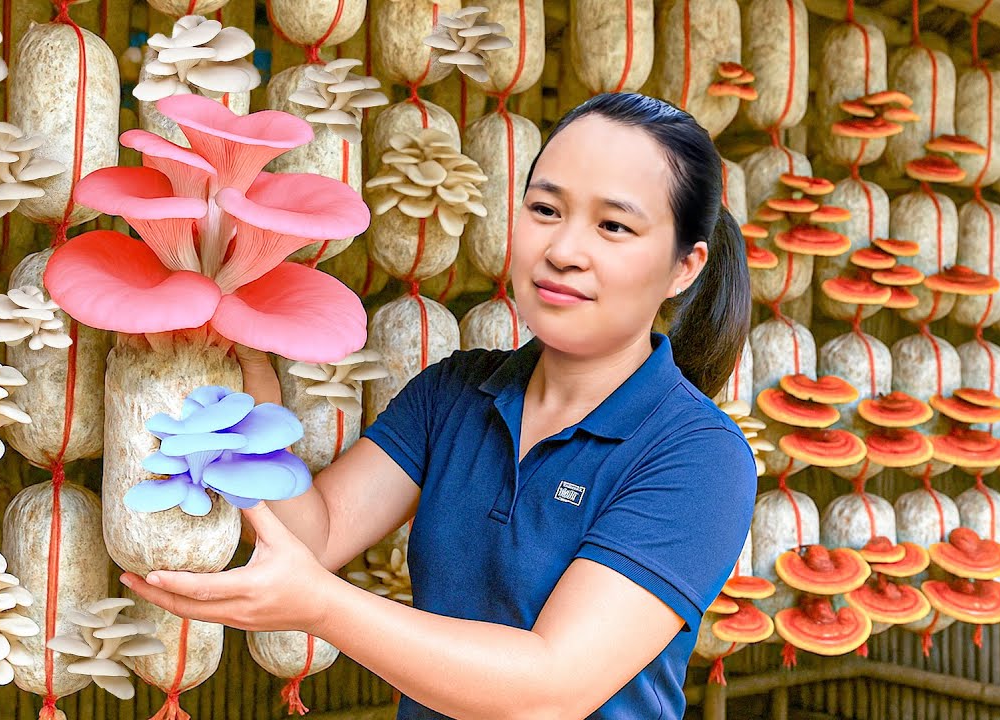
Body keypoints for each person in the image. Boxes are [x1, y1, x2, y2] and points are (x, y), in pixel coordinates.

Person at [122, 93, 758, 720]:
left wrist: (322, 607)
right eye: (545, 208)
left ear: (684, 267)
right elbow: (316, 532)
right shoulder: (455, 392)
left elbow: (552, 689)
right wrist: (252, 369)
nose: (563, 250)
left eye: (613, 225)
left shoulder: (700, 455)